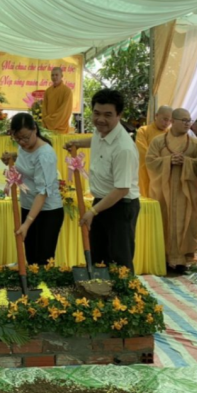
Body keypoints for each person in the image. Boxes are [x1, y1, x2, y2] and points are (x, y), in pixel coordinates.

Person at [63, 89, 140, 270]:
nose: (100, 120)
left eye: (108, 115)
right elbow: (96, 139)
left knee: (119, 260)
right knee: (98, 256)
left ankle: (122, 296)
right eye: (96, 113)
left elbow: (121, 189)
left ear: (119, 115)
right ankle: (98, 293)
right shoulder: (101, 132)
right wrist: (77, 143)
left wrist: (92, 212)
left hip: (121, 206)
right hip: (101, 203)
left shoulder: (123, 148)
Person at [146, 108, 197, 272]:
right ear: (173, 121)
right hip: (163, 191)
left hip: (186, 192)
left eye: (189, 120)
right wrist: (168, 161)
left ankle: (182, 261)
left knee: (186, 223)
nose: (188, 124)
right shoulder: (159, 141)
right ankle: (163, 258)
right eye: (184, 120)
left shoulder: (195, 144)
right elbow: (150, 161)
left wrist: (186, 162)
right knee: (164, 221)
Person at [3, 113, 63, 265]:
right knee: (30, 259)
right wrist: (12, 156)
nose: (22, 142)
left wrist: (27, 224)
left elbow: (43, 193)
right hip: (28, 206)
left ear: (34, 129)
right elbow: (25, 159)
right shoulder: (23, 146)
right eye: (17, 139)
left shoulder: (45, 155)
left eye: (25, 137)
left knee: (43, 261)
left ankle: (44, 288)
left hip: (47, 212)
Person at [135, 106, 172, 197]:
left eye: (170, 121)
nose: (166, 123)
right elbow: (142, 151)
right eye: (165, 119)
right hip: (146, 171)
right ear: (156, 115)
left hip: (164, 173)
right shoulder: (143, 131)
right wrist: (159, 160)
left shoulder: (171, 134)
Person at [41, 67, 73, 134]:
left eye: (56, 75)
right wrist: (46, 120)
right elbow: (44, 109)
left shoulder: (67, 91)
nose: (54, 77)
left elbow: (64, 111)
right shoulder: (48, 91)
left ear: (61, 76)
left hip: (61, 128)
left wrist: (50, 120)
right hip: (47, 128)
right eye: (52, 75)